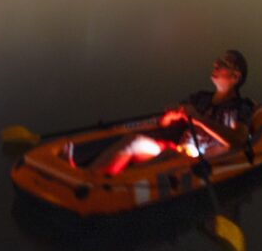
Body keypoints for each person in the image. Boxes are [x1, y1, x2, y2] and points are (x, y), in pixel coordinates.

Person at [96, 49, 253, 175]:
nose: (215, 64)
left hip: (199, 163)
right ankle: (92, 176)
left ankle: (112, 187)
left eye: (223, 63)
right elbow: (164, 123)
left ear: (235, 76)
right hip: (178, 148)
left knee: (168, 157)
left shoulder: (240, 107)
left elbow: (238, 140)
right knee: (133, 141)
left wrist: (197, 119)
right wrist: (172, 115)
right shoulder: (200, 98)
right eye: (218, 60)